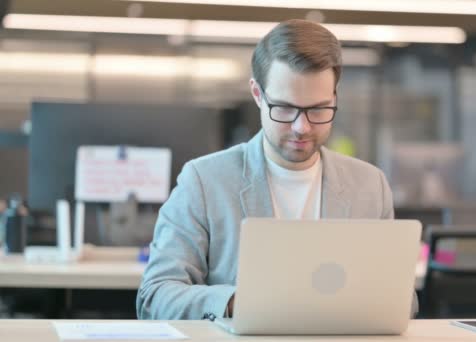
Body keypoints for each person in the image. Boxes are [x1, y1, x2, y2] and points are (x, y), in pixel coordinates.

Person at [136, 19, 418, 320]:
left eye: (318, 109)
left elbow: (404, 300)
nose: (302, 127)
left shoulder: (369, 185)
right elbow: (155, 296)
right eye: (284, 108)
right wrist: (235, 302)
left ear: (335, 96)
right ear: (258, 95)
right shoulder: (205, 181)